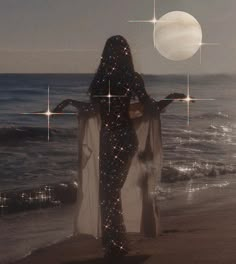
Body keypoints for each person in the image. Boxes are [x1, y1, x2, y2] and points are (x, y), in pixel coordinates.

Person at [54, 35, 188, 261]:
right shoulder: (100, 79)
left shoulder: (132, 78)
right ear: (107, 53)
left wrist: (170, 99)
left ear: (125, 53)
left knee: (109, 192)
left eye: (120, 49)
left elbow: (148, 108)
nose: (116, 53)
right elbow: (94, 109)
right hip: (108, 139)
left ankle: (116, 243)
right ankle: (115, 243)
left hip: (124, 139)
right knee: (106, 193)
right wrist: (68, 102)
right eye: (112, 49)